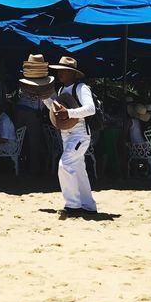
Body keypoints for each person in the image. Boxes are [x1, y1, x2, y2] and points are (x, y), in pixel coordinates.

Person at [48, 56, 97, 218]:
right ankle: (88, 205)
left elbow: (90, 109)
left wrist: (68, 112)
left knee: (65, 164)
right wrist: (43, 97)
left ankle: (73, 205)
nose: (59, 73)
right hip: (68, 135)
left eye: (62, 70)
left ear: (71, 72)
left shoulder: (81, 88)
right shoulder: (62, 90)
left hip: (79, 134)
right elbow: (56, 110)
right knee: (78, 169)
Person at [13, 54, 53, 173]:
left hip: (21, 110)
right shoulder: (45, 84)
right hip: (31, 113)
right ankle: (34, 168)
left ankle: (22, 166)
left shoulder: (23, 82)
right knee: (34, 141)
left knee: (19, 140)